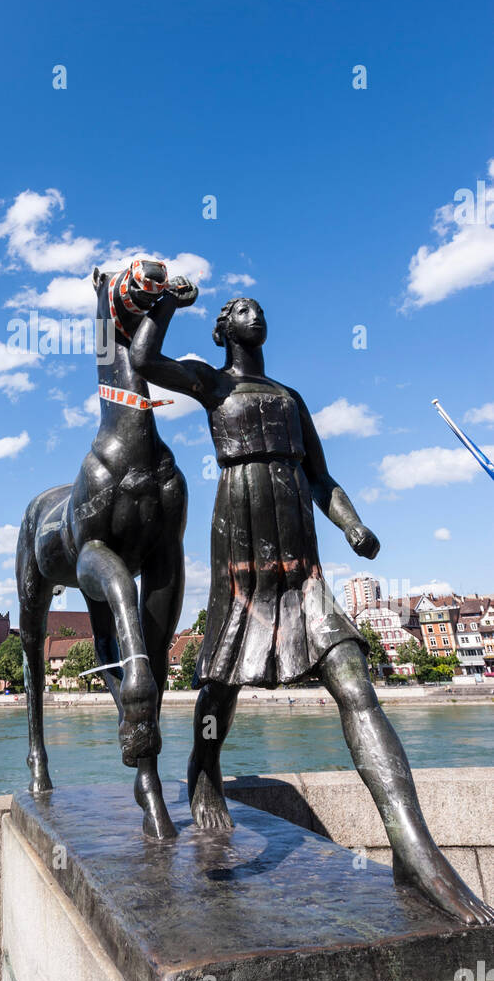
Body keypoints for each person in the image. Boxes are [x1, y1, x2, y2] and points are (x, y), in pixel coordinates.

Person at [129, 281, 493, 925]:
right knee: (220, 679)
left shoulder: (291, 399)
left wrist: (353, 524)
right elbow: (145, 364)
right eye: (241, 308)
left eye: (260, 307)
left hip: (303, 563)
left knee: (355, 682)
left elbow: (321, 477)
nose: (256, 312)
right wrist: (162, 306)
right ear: (223, 329)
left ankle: (412, 844)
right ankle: (204, 766)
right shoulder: (211, 385)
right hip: (239, 555)